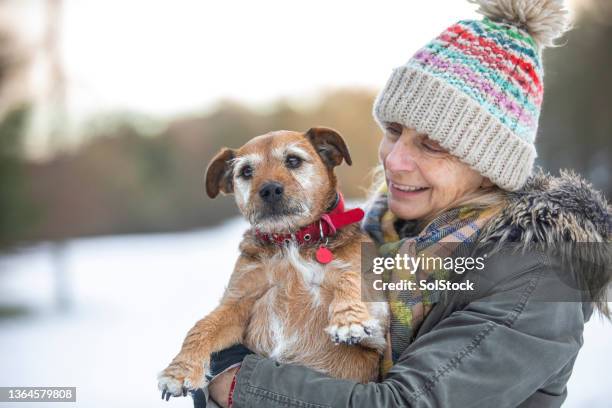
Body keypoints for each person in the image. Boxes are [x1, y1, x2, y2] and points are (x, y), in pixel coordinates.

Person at [203, 0, 611, 406]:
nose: (394, 160)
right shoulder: (370, 239)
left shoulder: (541, 274)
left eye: (431, 145)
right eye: (393, 130)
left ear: (490, 167)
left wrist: (238, 384)